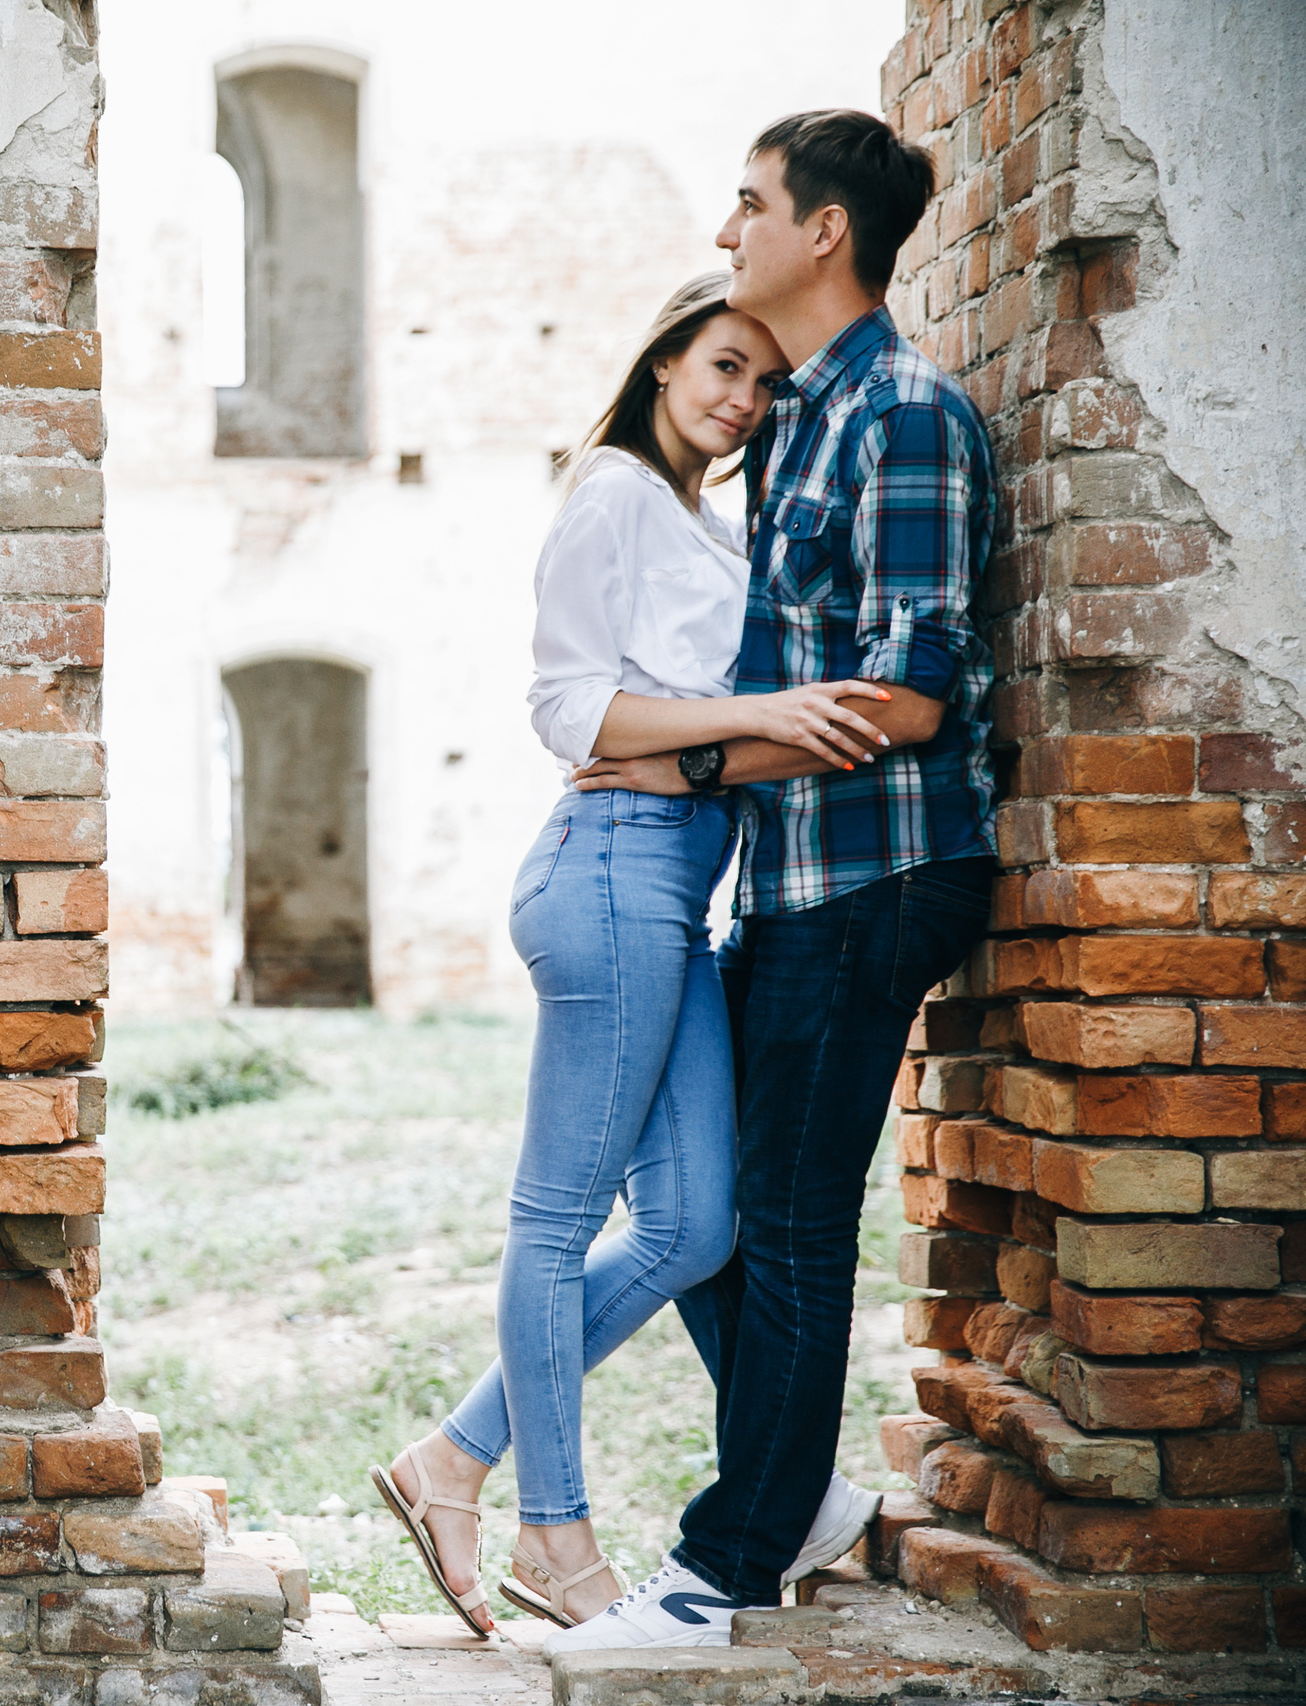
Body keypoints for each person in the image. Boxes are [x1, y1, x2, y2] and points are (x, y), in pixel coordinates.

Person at [370, 271, 891, 1635]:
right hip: (606, 873)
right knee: (557, 1221)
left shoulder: (704, 522)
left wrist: (717, 741)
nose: (742, 401)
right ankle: (555, 1531)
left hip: (675, 883)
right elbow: (570, 708)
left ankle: (450, 1458)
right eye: (724, 365)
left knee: (695, 1222)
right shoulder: (608, 492)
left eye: (767, 383)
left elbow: (674, 727)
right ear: (664, 358)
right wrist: (763, 718)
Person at [546, 109, 999, 1652]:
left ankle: (727, 1564)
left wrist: (671, 759)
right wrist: (695, 753)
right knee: (704, 1211)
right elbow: (763, 687)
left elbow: (909, 698)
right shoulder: (793, 421)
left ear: (824, 234)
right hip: (787, 883)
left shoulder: (909, 416)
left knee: (789, 1222)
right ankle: (795, 1491)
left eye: (749, 204)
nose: (727, 227)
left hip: (879, 875)